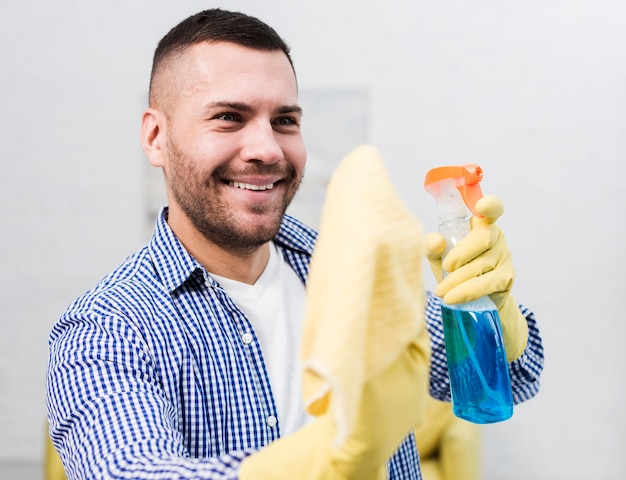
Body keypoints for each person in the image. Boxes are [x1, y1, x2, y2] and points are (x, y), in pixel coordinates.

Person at [46, 8, 544, 480]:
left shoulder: (345, 271)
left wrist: (492, 317)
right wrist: (331, 457)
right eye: (228, 117)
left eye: (284, 120)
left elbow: (510, 381)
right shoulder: (102, 332)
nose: (266, 149)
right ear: (156, 137)